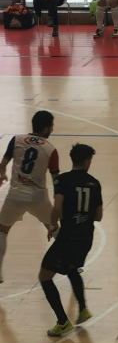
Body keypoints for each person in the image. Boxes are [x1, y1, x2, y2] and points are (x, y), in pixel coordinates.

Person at [39, 144, 103, 337]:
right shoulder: (95, 183)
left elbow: (57, 207)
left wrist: (53, 225)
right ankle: (82, 309)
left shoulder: (62, 180)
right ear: (87, 161)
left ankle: (62, 322)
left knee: (44, 276)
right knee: (71, 268)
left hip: (68, 237)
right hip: (86, 238)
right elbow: (99, 216)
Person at [0, 111, 59, 283]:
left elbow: (3, 164)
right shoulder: (50, 149)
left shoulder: (16, 140)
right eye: (51, 126)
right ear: (46, 128)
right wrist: (59, 203)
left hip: (15, 196)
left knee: (2, 231)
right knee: (55, 228)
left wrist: (2, 174)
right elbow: (56, 181)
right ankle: (71, 262)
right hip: (38, 198)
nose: (52, 129)